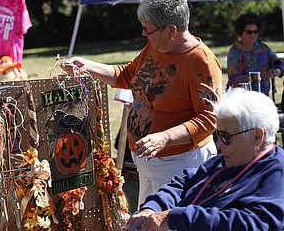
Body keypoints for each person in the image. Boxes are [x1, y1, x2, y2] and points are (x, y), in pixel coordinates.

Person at [62, 0, 222, 209]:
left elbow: (209, 119)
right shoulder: (156, 46)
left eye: (148, 29)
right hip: (150, 162)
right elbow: (128, 75)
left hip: (180, 165)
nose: (144, 34)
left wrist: (164, 138)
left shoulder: (201, 62)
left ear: (172, 29)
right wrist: (87, 66)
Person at [122, 87, 284, 231]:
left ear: (257, 136)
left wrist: (177, 218)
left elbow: (254, 223)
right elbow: (184, 183)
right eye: (217, 135)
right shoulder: (228, 160)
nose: (219, 144)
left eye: (225, 137)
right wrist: (153, 207)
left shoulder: (277, 173)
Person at [227, 12, 284, 96]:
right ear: (241, 32)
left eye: (255, 31)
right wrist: (256, 77)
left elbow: (279, 63)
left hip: (263, 97)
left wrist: (277, 71)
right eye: (249, 32)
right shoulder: (235, 52)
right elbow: (233, 79)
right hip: (242, 99)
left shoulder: (264, 48)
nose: (253, 34)